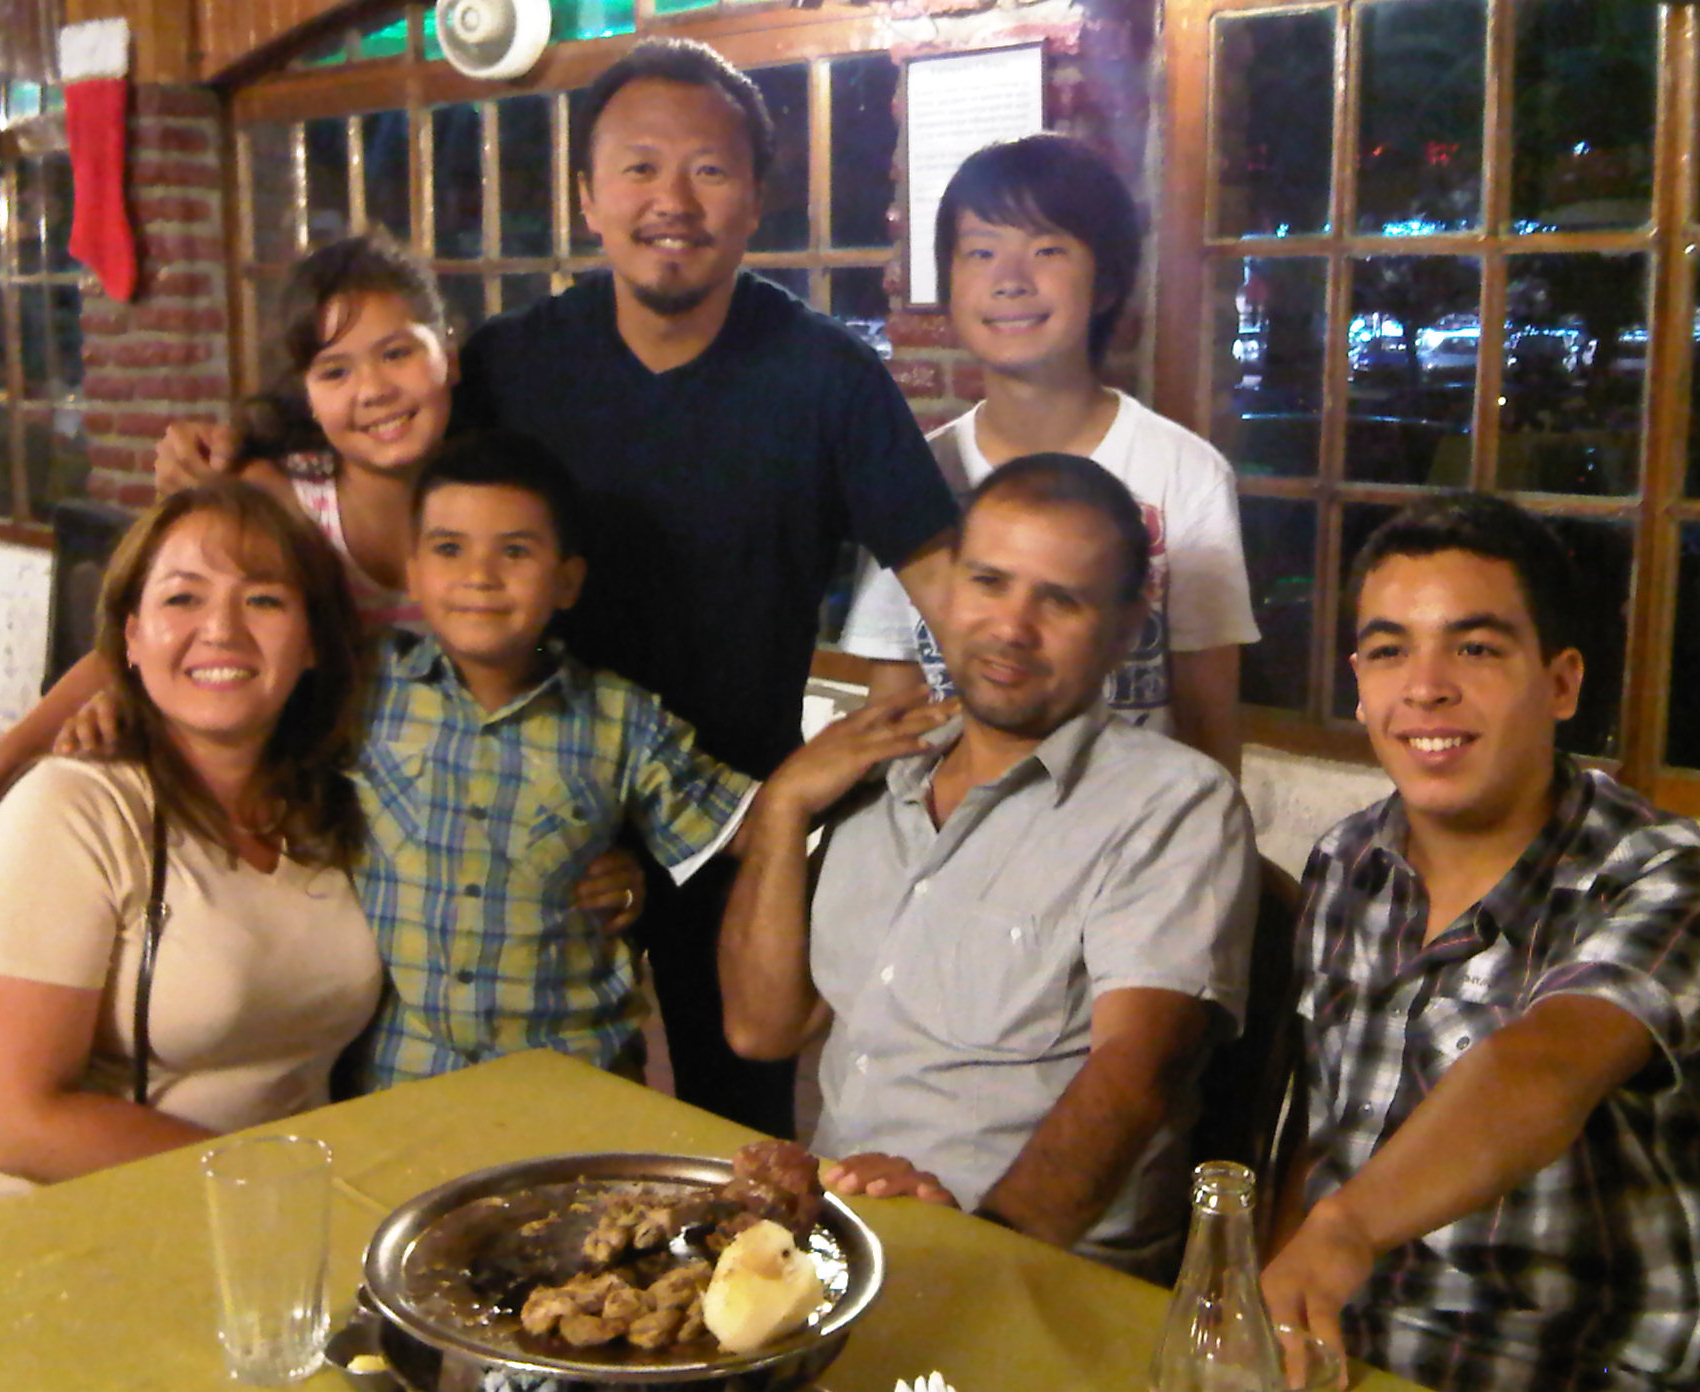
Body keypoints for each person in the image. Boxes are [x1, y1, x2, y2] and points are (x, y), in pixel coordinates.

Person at [452, 38, 961, 1136]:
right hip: (540, 814)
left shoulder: (826, 377)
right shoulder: (506, 365)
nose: (671, 202)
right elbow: (391, 535)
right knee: (530, 1122)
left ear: (755, 201)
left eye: (709, 170)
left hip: (736, 821)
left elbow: (951, 591)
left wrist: (992, 768)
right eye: (638, 167)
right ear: (588, 196)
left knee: (741, 1133)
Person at [0, 234, 642, 923]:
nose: (372, 390)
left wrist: (596, 845)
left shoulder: (497, 504)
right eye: (334, 370)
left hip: (455, 834)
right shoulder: (280, 499)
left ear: (448, 352)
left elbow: (560, 683)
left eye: (398, 352)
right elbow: (164, 636)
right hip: (304, 823)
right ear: (308, 395)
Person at [719, 454, 1256, 1280]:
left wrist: (981, 1245)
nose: (1011, 627)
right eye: (988, 582)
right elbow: (762, 1029)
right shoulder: (879, 771)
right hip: (846, 1242)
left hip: (1037, 1269)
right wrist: (785, 804)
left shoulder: (1172, 804)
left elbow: (1135, 1076)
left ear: (1126, 627)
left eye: (1060, 600)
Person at [1260, 494, 1700, 1392]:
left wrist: (1346, 1227)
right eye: (1390, 651)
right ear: (1359, 681)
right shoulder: (1346, 862)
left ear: (1562, 684)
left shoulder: (1662, 873)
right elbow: (1321, 1132)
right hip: (1349, 1358)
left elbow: (1547, 1063)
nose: (1425, 687)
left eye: (1476, 649)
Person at [0, 479, 382, 1218]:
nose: (220, 629)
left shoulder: (336, 810)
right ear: (131, 639)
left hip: (253, 1217)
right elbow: (23, 1125)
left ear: (314, 640)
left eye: (263, 599)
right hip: (30, 1223)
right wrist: (275, 1185)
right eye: (182, 598)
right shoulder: (70, 811)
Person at [838, 134, 1257, 775]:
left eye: (1047, 250)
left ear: (1106, 282)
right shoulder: (914, 473)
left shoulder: (1185, 473)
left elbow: (1208, 721)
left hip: (1126, 823)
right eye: (981, 252)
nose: (1009, 280)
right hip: (950, 818)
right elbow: (892, 710)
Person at [355, 431, 759, 1089]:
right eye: (449, 548)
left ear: (566, 581)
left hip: (573, 1080)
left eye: (514, 551)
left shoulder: (622, 720)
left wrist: (818, 783)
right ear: (412, 570)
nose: (480, 576)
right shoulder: (366, 690)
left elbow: (740, 826)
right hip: (397, 1082)